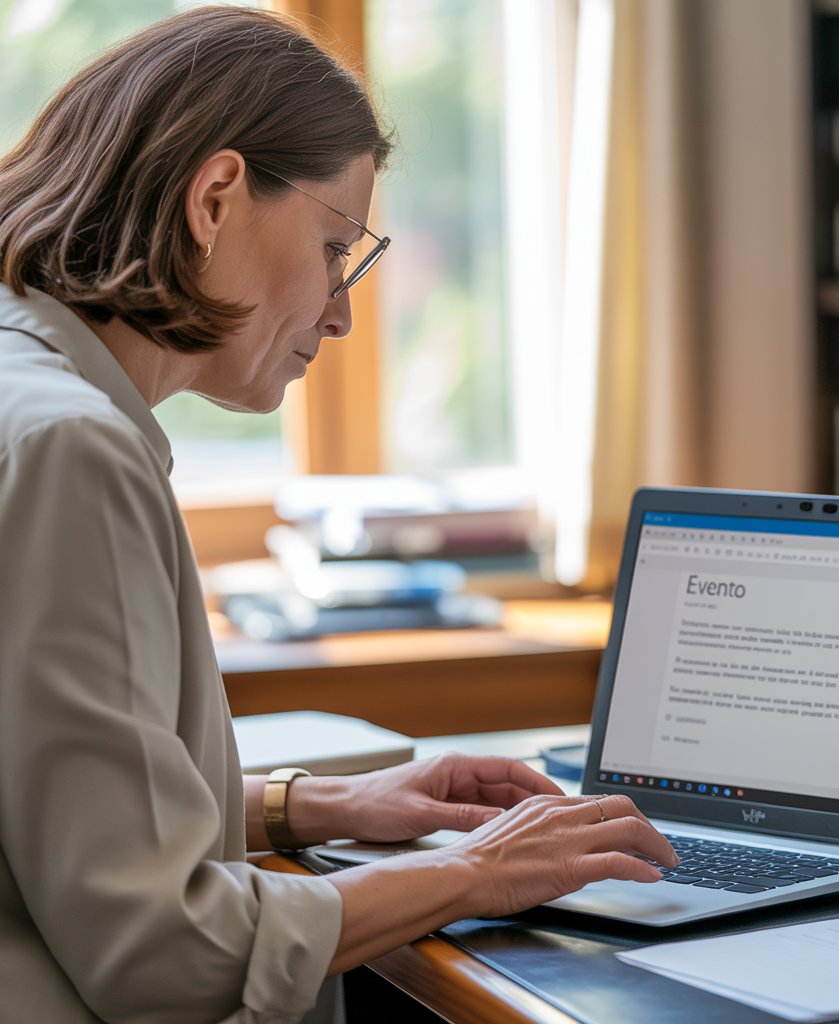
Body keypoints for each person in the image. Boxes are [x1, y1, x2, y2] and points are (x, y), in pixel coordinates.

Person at [0, 7, 677, 1022]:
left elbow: (60, 810)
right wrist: (480, 869)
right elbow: (163, 950)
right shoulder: (72, 450)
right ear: (216, 198)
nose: (342, 311)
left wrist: (319, 803)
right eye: (333, 248)